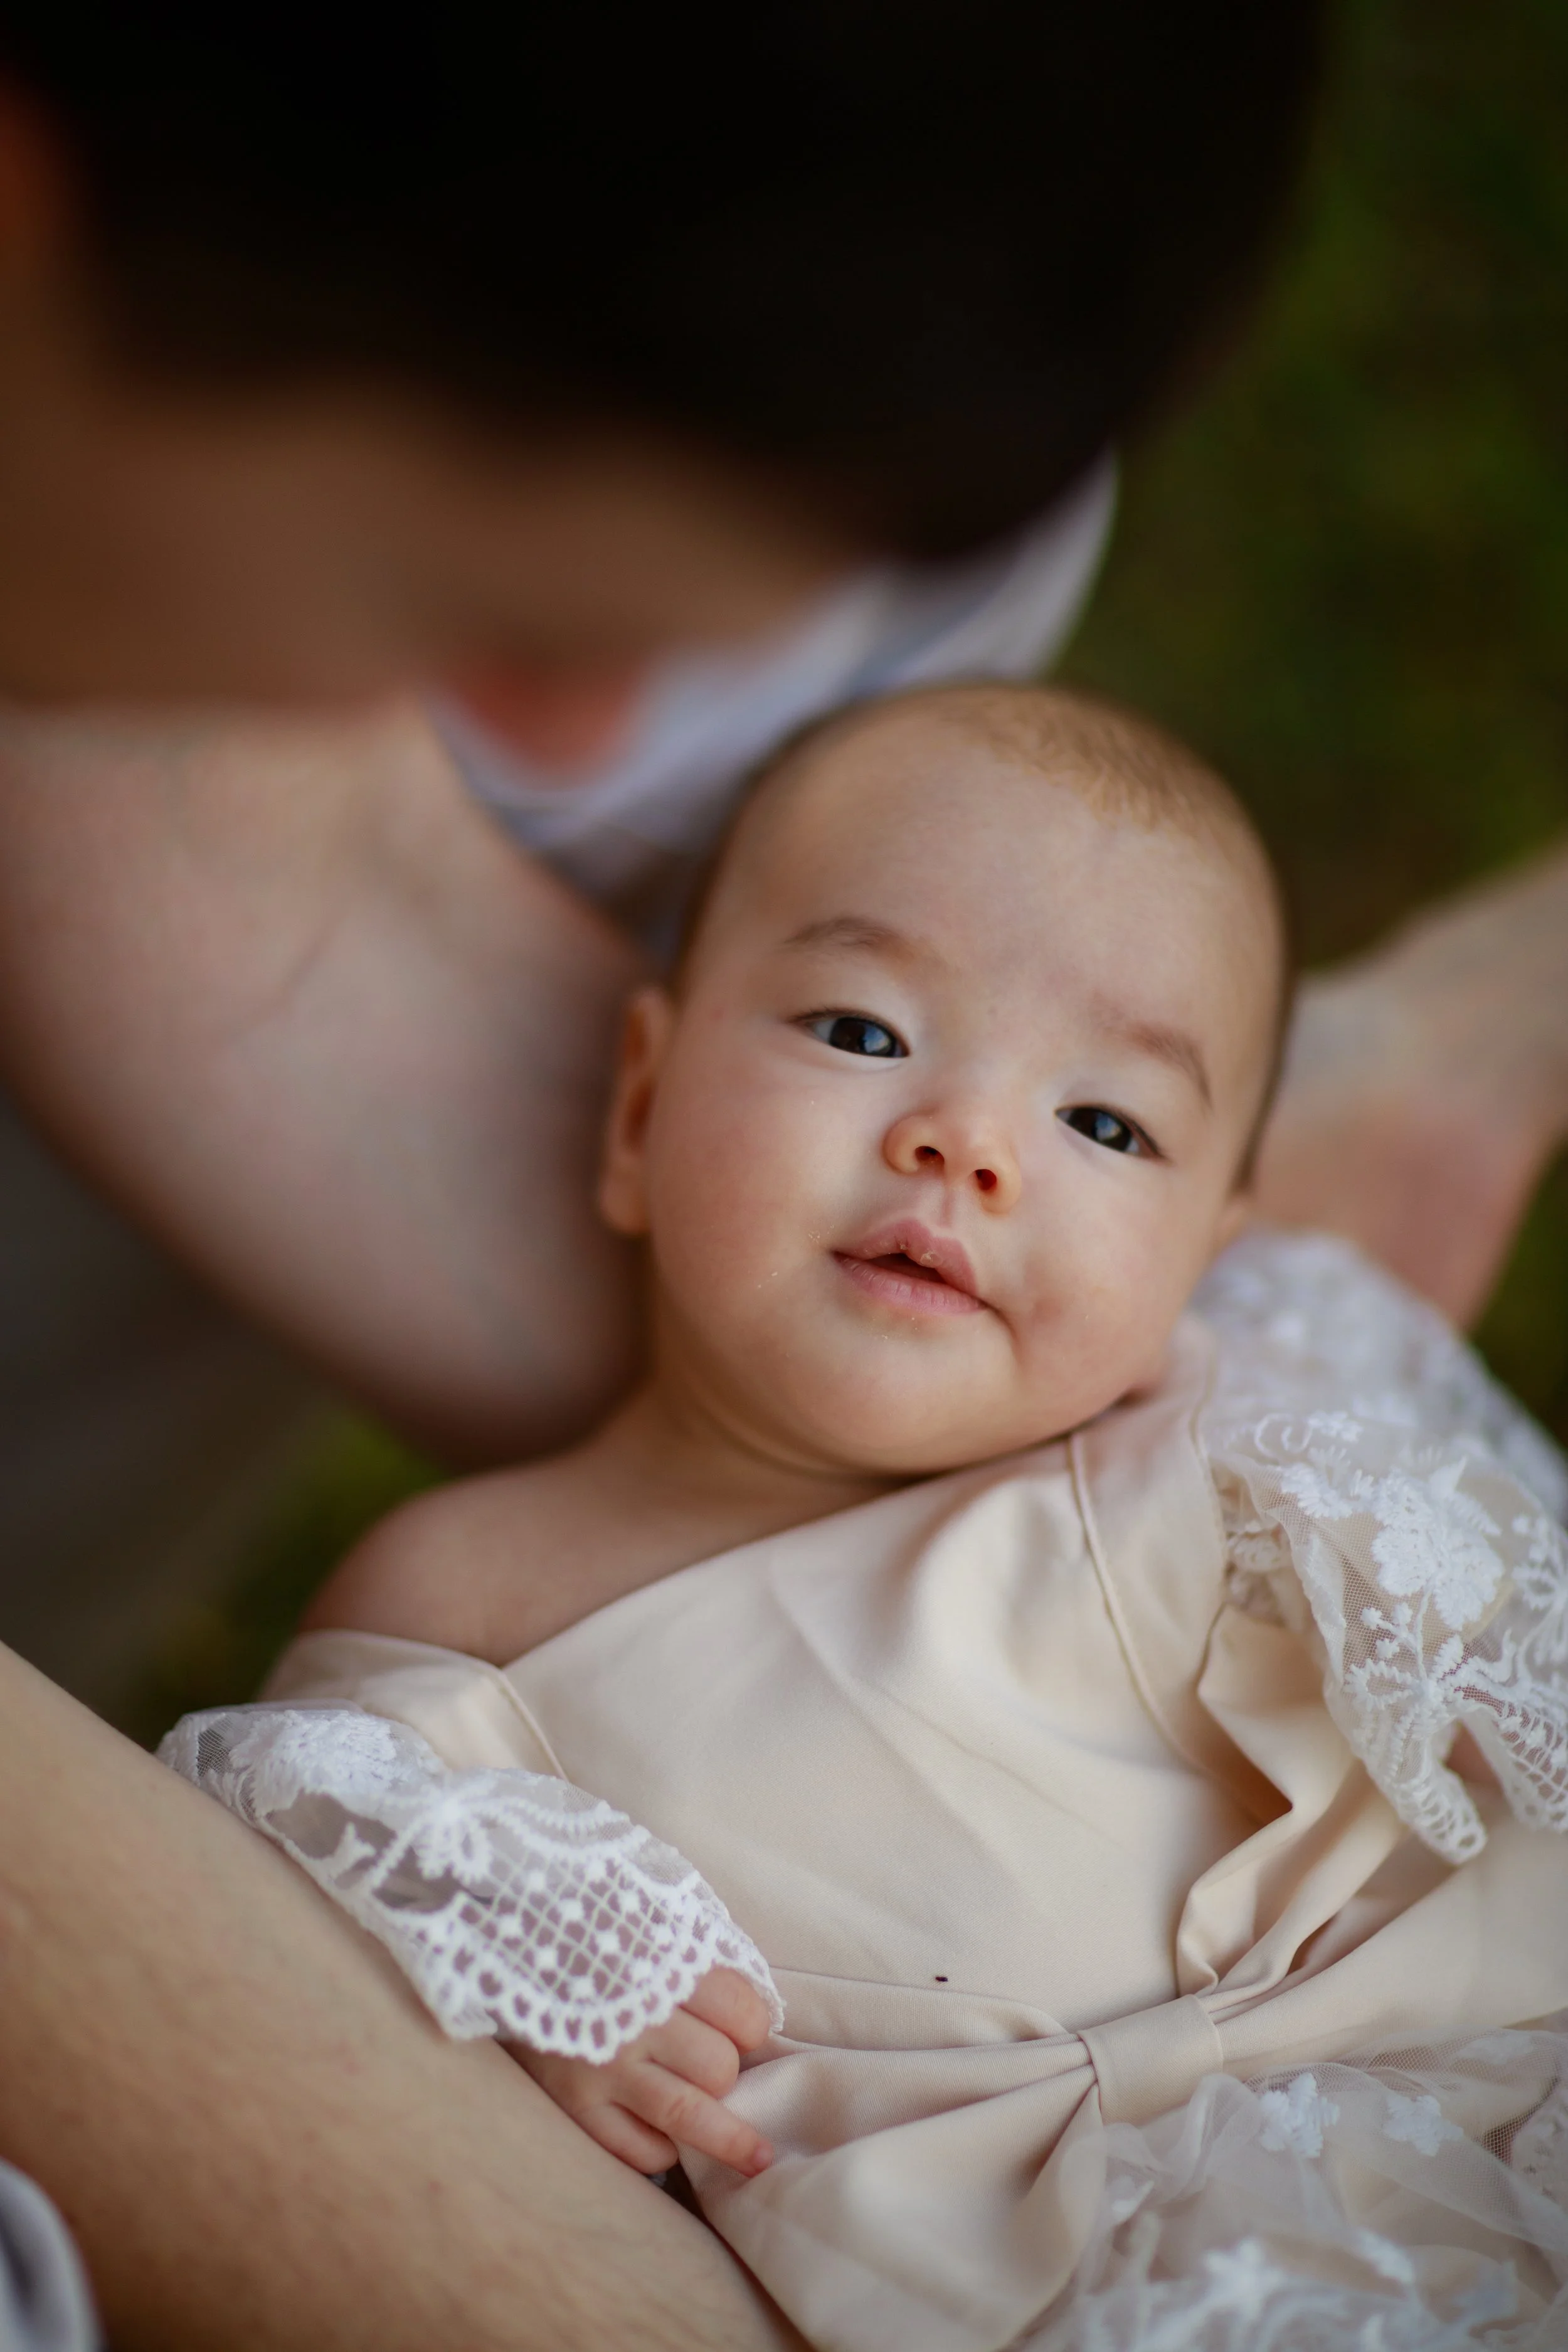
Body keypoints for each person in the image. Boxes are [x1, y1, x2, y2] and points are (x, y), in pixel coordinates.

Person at [0, 10, 1335, 2348]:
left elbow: (279, 867)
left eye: (1115, 1122)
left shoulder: (892, 316)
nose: (575, 754)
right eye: (481, 594)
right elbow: (349, 1803)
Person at [170, 684, 1568, 2349]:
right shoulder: (484, 1582)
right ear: (639, 1110)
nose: (964, 1142)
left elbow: (1489, 1639)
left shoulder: (1222, 1435)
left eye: (1103, 1123)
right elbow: (325, 1862)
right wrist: (543, 2005)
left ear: (1203, 1255)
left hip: (1458, 2123)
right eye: (857, 1029)